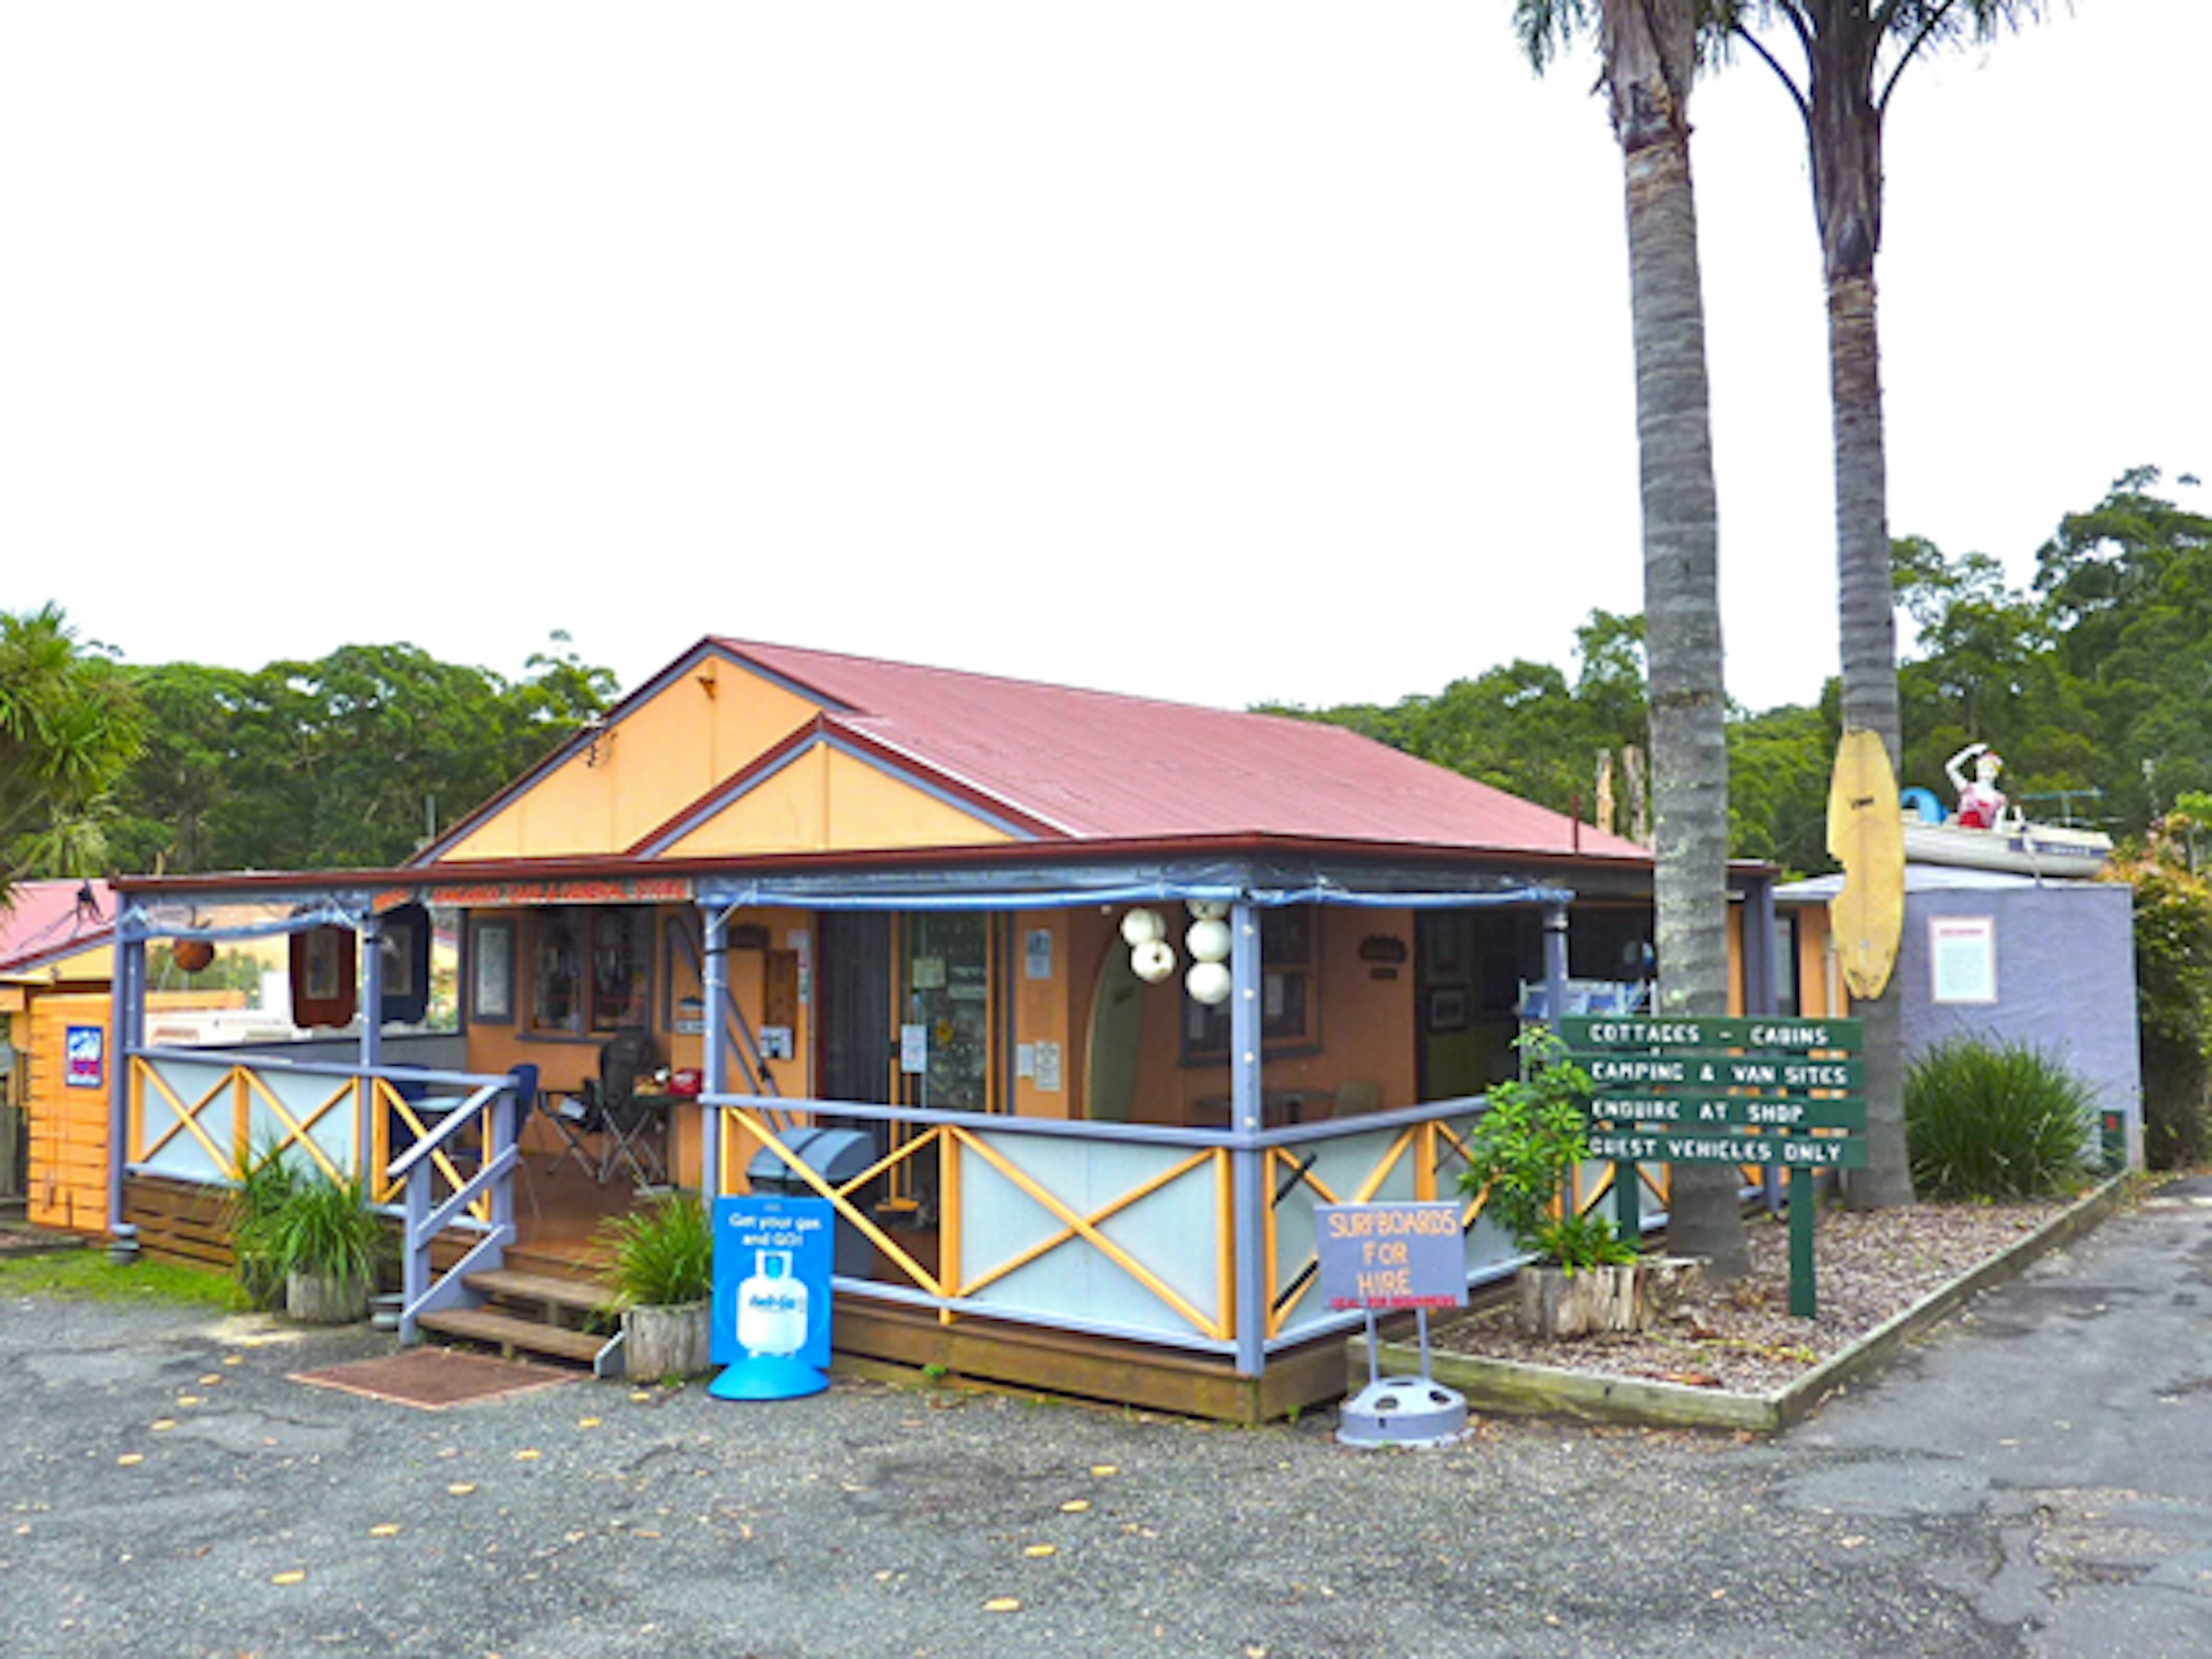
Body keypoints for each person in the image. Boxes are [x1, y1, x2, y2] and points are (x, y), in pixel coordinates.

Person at [1946, 741, 2007, 830]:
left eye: (1991, 769)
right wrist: (1969, 752)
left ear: (1996, 774)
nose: (1986, 772)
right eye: (1983, 768)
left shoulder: (1999, 799)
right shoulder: (1968, 789)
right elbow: (1950, 768)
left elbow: (1998, 827)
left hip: (1981, 838)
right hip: (1962, 834)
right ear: (1977, 771)